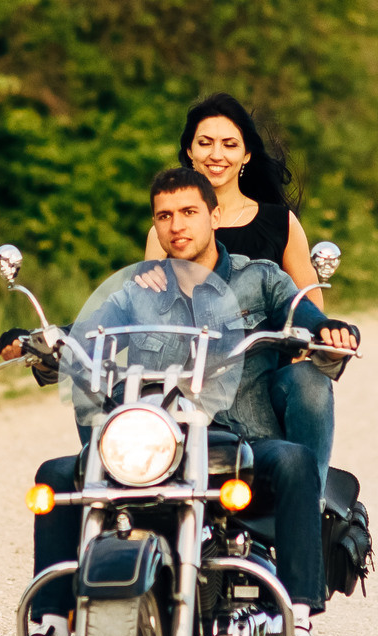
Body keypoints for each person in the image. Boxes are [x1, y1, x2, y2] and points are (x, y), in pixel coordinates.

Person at [4, 166, 360, 636]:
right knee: (56, 475)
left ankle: (298, 623)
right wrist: (42, 341)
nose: (177, 225)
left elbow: (301, 315)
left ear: (214, 216)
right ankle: (51, 631)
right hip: (159, 440)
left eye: (189, 212)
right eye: (165, 216)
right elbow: (88, 333)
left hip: (240, 441)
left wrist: (329, 330)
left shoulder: (260, 277)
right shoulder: (139, 291)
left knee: (294, 460)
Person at [141, 95, 338, 485]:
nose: (217, 155)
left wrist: (314, 343)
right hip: (189, 377)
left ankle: (308, 495)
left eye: (229, 144)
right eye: (205, 143)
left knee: (311, 382)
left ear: (246, 155)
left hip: (262, 378)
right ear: (189, 152)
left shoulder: (280, 222)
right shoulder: (168, 230)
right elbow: (150, 311)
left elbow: (308, 309)